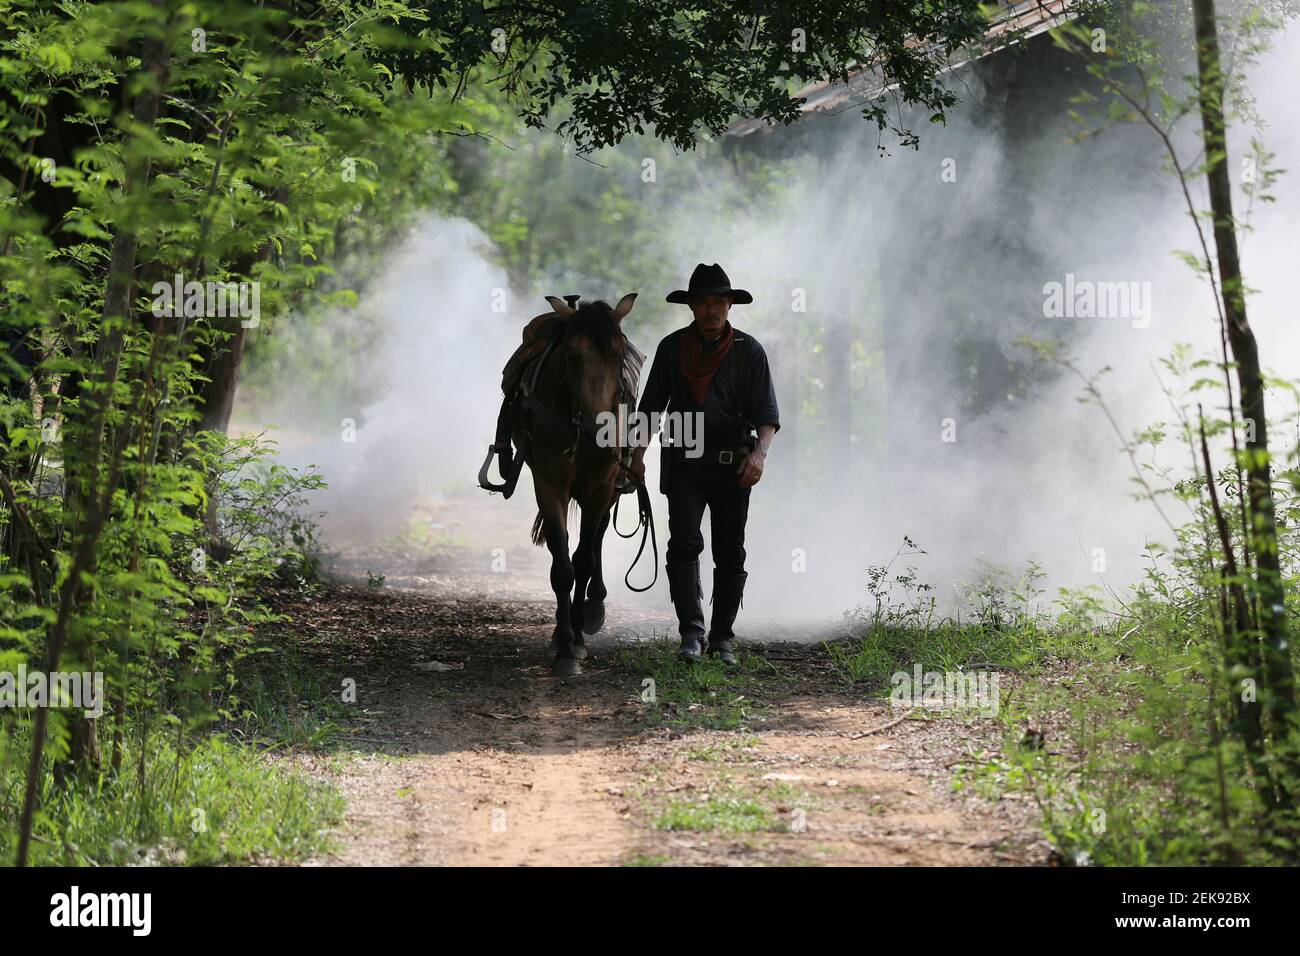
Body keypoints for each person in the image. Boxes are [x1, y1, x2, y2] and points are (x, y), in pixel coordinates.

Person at [630, 263, 779, 665]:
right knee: (683, 543)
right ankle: (691, 635)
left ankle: (723, 639)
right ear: (692, 306)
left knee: (730, 552)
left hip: (735, 465)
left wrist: (759, 455)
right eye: (703, 302)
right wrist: (637, 456)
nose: (711, 309)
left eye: (719, 301)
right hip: (684, 465)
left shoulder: (750, 351)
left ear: (730, 304)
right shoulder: (671, 348)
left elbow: (767, 415)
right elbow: (650, 411)